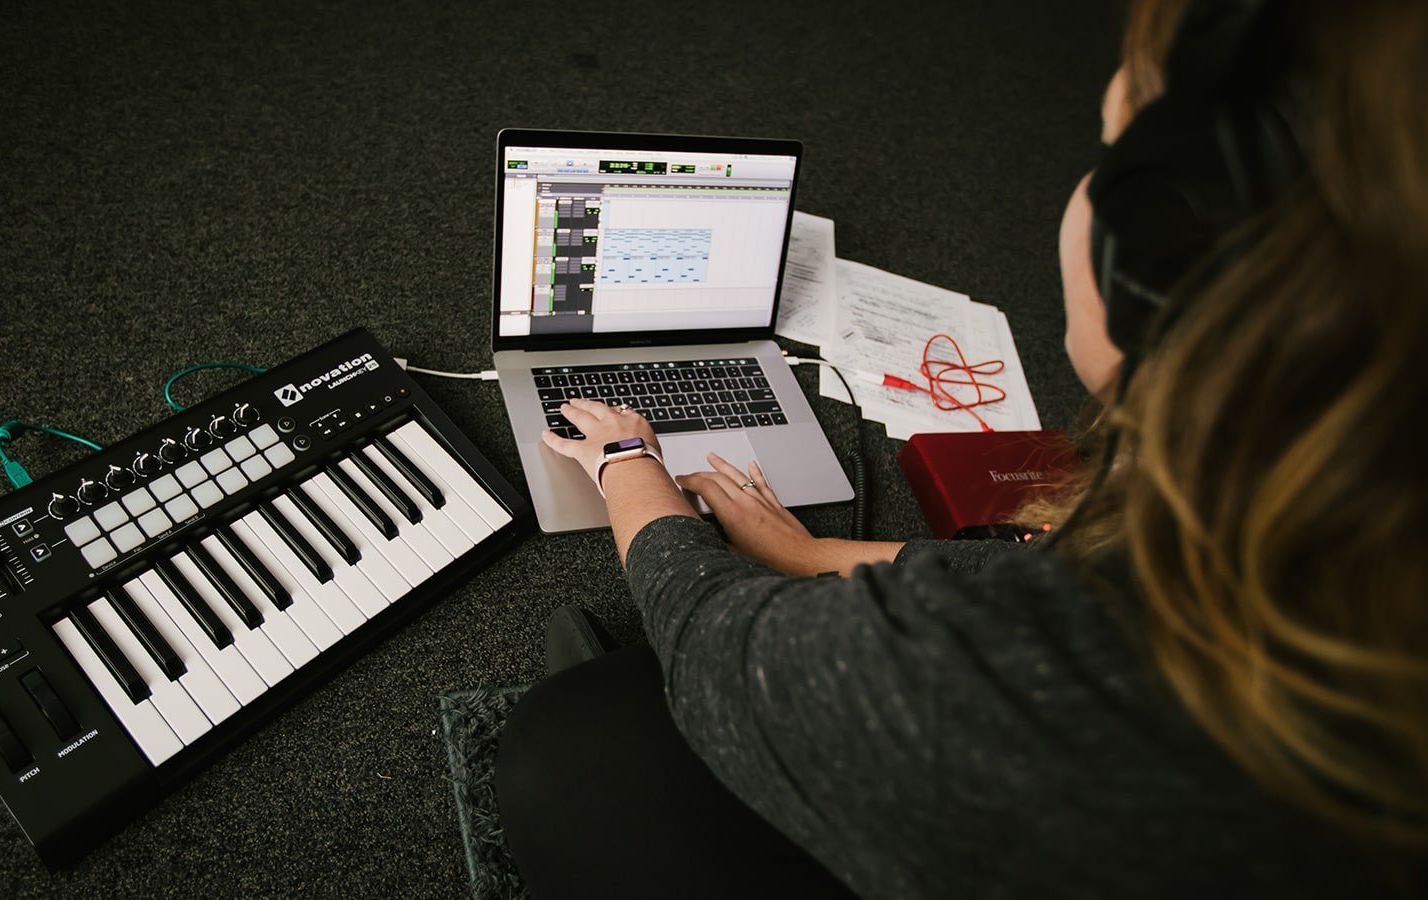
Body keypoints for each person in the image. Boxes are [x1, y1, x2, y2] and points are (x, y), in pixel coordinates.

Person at [494, 0, 1428, 896]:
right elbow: (1058, 572)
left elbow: (713, 646)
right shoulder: (1324, 557)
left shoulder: (1049, 687)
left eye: (1115, 157)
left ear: (1154, 253)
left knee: (561, 750)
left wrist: (627, 463)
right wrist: (812, 554)